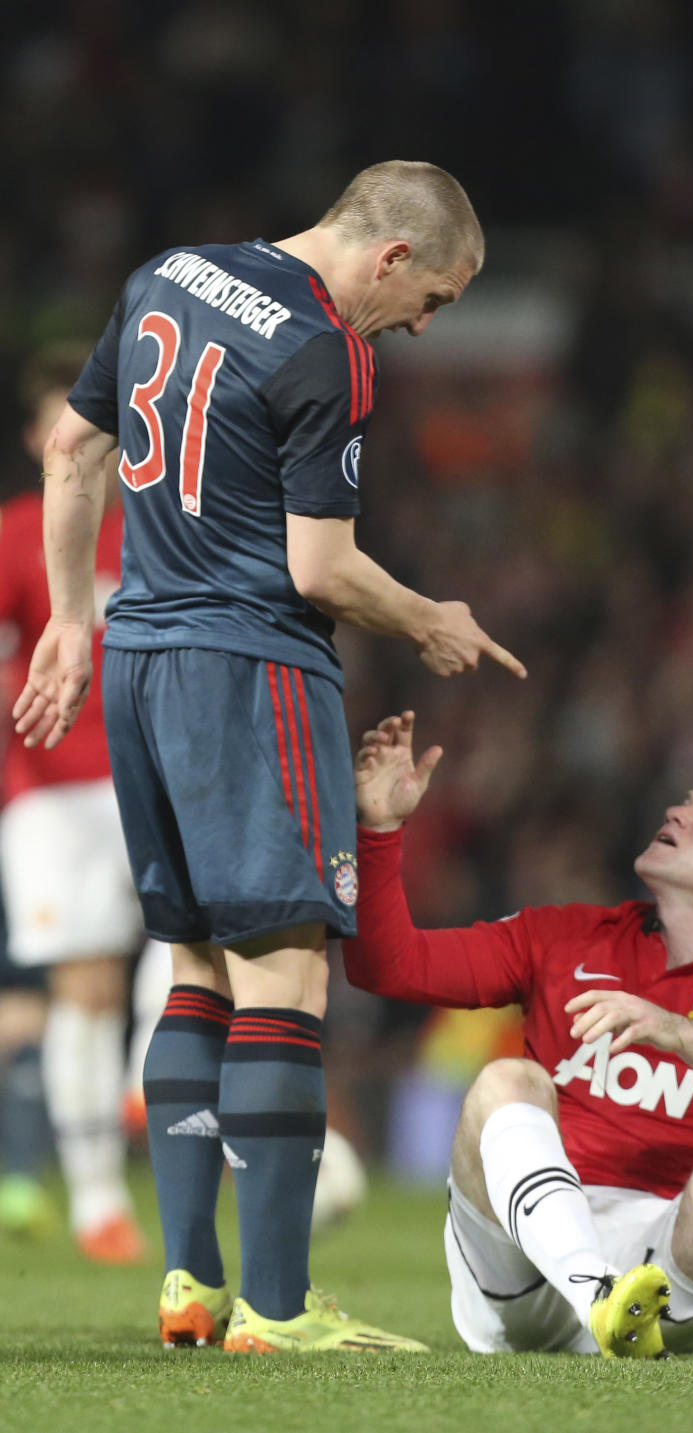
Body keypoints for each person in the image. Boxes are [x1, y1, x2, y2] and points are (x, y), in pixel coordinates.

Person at [13, 161, 526, 1355]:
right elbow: (320, 569)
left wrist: (69, 616)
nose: (426, 325)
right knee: (286, 973)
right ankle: (281, 1310)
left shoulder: (168, 275)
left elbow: (65, 446)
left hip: (137, 659)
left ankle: (189, 1284)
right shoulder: (329, 350)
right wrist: (429, 615)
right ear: (392, 257)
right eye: (436, 299)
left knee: (196, 967)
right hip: (249, 669)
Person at [342, 709, 693, 1364]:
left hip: (675, 1277)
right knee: (507, 1081)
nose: (678, 810)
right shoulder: (563, 936)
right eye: (686, 801)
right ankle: (597, 1290)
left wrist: (674, 1029)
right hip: (525, 1278)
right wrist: (379, 830)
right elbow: (385, 965)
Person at [0, 343, 154, 1261]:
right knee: (82, 984)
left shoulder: (154, 527)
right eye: (66, 420)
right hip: (48, 789)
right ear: (34, 435)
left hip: (151, 775)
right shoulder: (18, 531)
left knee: (193, 934)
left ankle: (142, 1081)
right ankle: (99, 1198)